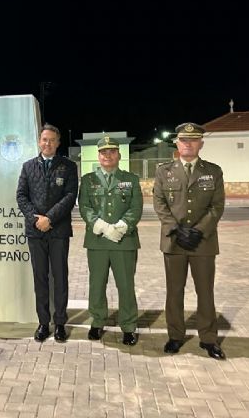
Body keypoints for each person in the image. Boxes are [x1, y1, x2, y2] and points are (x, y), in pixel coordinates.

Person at [153, 122, 226, 360]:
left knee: (205, 292)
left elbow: (217, 206)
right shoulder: (164, 171)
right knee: (174, 291)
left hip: (203, 243)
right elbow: (159, 203)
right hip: (174, 242)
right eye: (183, 140)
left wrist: (198, 231)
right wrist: (175, 229)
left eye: (193, 140)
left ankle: (209, 339)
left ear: (200, 144)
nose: (188, 144)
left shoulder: (213, 171)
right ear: (177, 143)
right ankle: (175, 336)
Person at [16, 124, 78, 343]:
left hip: (58, 230)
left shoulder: (68, 166)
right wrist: (37, 219)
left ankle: (60, 322)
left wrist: (49, 218)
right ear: (39, 141)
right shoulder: (28, 166)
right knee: (40, 277)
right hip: (36, 232)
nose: (48, 143)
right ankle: (43, 322)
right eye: (44, 139)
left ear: (58, 142)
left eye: (52, 140)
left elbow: (70, 196)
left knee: (60, 277)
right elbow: (21, 196)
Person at [78, 136, 143, 345]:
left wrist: (121, 227)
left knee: (126, 285)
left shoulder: (130, 179)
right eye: (104, 152)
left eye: (112, 151)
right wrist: (102, 227)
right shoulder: (88, 180)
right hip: (97, 240)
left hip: (124, 241)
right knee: (97, 284)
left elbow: (136, 207)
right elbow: (84, 206)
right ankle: (97, 321)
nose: (108, 155)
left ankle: (129, 326)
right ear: (98, 155)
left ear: (119, 154)